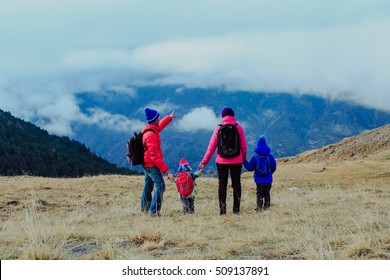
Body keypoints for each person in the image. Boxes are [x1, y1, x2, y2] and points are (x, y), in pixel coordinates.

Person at [199, 107, 247, 215]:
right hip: (236, 161)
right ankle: (236, 210)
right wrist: (243, 158)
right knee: (236, 184)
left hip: (221, 161)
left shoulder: (218, 128)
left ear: (223, 116)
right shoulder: (239, 128)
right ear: (233, 116)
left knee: (222, 185)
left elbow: (211, 147)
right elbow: (243, 146)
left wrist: (203, 162)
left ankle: (222, 210)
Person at [141, 108, 175, 216]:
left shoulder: (150, 128)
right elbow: (155, 157)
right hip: (151, 165)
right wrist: (167, 171)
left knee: (148, 186)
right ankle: (154, 212)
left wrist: (169, 117)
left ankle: (145, 209)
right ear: (155, 120)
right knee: (160, 186)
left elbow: (160, 126)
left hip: (146, 163)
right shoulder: (151, 135)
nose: (159, 119)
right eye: (158, 118)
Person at [243, 135, 277, 212]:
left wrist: (244, 161)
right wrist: (270, 173)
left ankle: (259, 208)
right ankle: (267, 208)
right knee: (267, 194)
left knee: (259, 194)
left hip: (258, 180)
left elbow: (250, 168)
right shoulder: (270, 156)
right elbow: (274, 167)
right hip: (268, 180)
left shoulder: (255, 157)